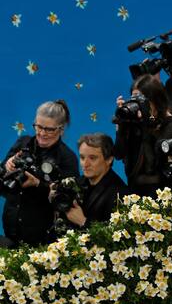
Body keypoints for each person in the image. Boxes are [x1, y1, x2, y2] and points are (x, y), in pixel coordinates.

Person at [0, 100, 78, 247]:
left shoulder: (67, 157)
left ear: (61, 129)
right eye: (39, 127)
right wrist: (7, 166)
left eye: (49, 129)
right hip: (10, 230)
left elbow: (70, 201)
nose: (42, 133)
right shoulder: (23, 143)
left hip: (43, 236)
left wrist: (38, 184)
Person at [113, 74, 172, 197]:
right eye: (134, 99)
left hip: (159, 192)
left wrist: (145, 124)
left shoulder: (169, 122)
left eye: (141, 100)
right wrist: (121, 126)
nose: (137, 104)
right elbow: (118, 154)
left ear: (155, 100)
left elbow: (153, 165)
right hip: (133, 189)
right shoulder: (133, 120)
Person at [59, 134, 128, 228]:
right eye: (82, 158)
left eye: (92, 158)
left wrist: (83, 222)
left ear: (109, 160)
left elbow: (114, 237)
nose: (85, 164)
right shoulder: (78, 182)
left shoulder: (120, 193)